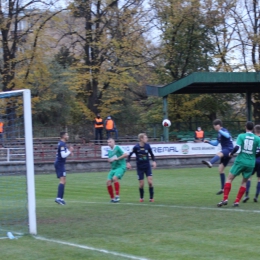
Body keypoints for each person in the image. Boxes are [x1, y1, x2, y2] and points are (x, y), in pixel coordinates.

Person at [217, 121, 260, 207]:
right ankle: (236, 201)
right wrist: (254, 155)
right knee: (244, 182)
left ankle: (225, 199)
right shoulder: (257, 138)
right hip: (251, 163)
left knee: (229, 178)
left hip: (240, 161)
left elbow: (237, 147)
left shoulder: (241, 136)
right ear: (253, 128)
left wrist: (231, 153)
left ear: (245, 127)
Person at [201, 119, 234, 195]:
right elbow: (216, 143)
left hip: (229, 149)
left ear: (218, 125)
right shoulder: (219, 133)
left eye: (214, 126)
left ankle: (210, 162)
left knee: (219, 153)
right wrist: (208, 142)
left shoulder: (224, 130)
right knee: (221, 170)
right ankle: (223, 188)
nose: (214, 128)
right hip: (225, 150)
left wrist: (220, 130)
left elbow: (227, 135)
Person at [127, 133, 157, 202]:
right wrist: (128, 162)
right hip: (140, 168)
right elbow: (129, 155)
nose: (147, 139)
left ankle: (151, 198)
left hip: (147, 166)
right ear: (141, 139)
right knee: (141, 184)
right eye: (145, 138)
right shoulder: (136, 147)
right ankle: (141, 198)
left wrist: (154, 161)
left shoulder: (148, 146)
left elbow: (152, 155)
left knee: (150, 182)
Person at [54, 131, 74, 205]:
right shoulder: (62, 144)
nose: (68, 136)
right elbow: (63, 155)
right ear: (63, 136)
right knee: (62, 181)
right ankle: (58, 198)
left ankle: (61, 198)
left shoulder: (62, 144)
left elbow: (63, 153)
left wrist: (69, 152)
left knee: (64, 181)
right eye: (67, 135)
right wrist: (70, 151)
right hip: (59, 164)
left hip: (60, 164)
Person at [242, 124, 260, 203]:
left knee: (248, 177)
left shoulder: (253, 139)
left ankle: (246, 195)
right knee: (259, 179)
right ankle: (256, 196)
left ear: (254, 130)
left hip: (252, 160)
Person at [106, 137, 128, 202]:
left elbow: (125, 154)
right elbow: (111, 160)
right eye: (108, 142)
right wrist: (109, 161)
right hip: (113, 168)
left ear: (114, 142)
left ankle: (117, 197)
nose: (109, 143)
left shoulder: (117, 147)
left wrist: (117, 158)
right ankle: (112, 198)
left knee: (115, 178)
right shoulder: (109, 151)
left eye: (110, 142)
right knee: (108, 182)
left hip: (121, 167)